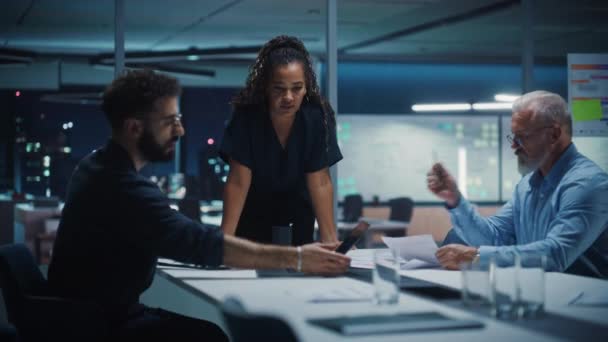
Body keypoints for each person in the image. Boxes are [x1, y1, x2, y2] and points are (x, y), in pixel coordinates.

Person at [48, 69, 350, 341]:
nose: (180, 131)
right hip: (98, 326)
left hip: (76, 317)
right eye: (170, 122)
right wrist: (297, 257)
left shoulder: (93, 166)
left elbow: (174, 235)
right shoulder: (124, 187)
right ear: (134, 128)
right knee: (210, 337)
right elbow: (200, 244)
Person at [427, 90, 608, 278]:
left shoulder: (588, 184)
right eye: (513, 137)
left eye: (522, 136)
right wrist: (456, 201)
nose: (514, 145)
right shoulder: (527, 185)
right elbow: (494, 237)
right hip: (538, 294)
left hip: (580, 301)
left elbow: (555, 255)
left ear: (554, 135)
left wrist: (476, 256)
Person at [219, 35, 342, 245]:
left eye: (296, 88)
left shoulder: (316, 117)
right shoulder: (247, 117)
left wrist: (330, 239)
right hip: (252, 220)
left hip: (299, 221)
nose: (288, 97)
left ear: (306, 87)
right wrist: (224, 242)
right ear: (266, 86)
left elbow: (320, 181)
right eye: (279, 88)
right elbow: (238, 182)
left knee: (296, 273)